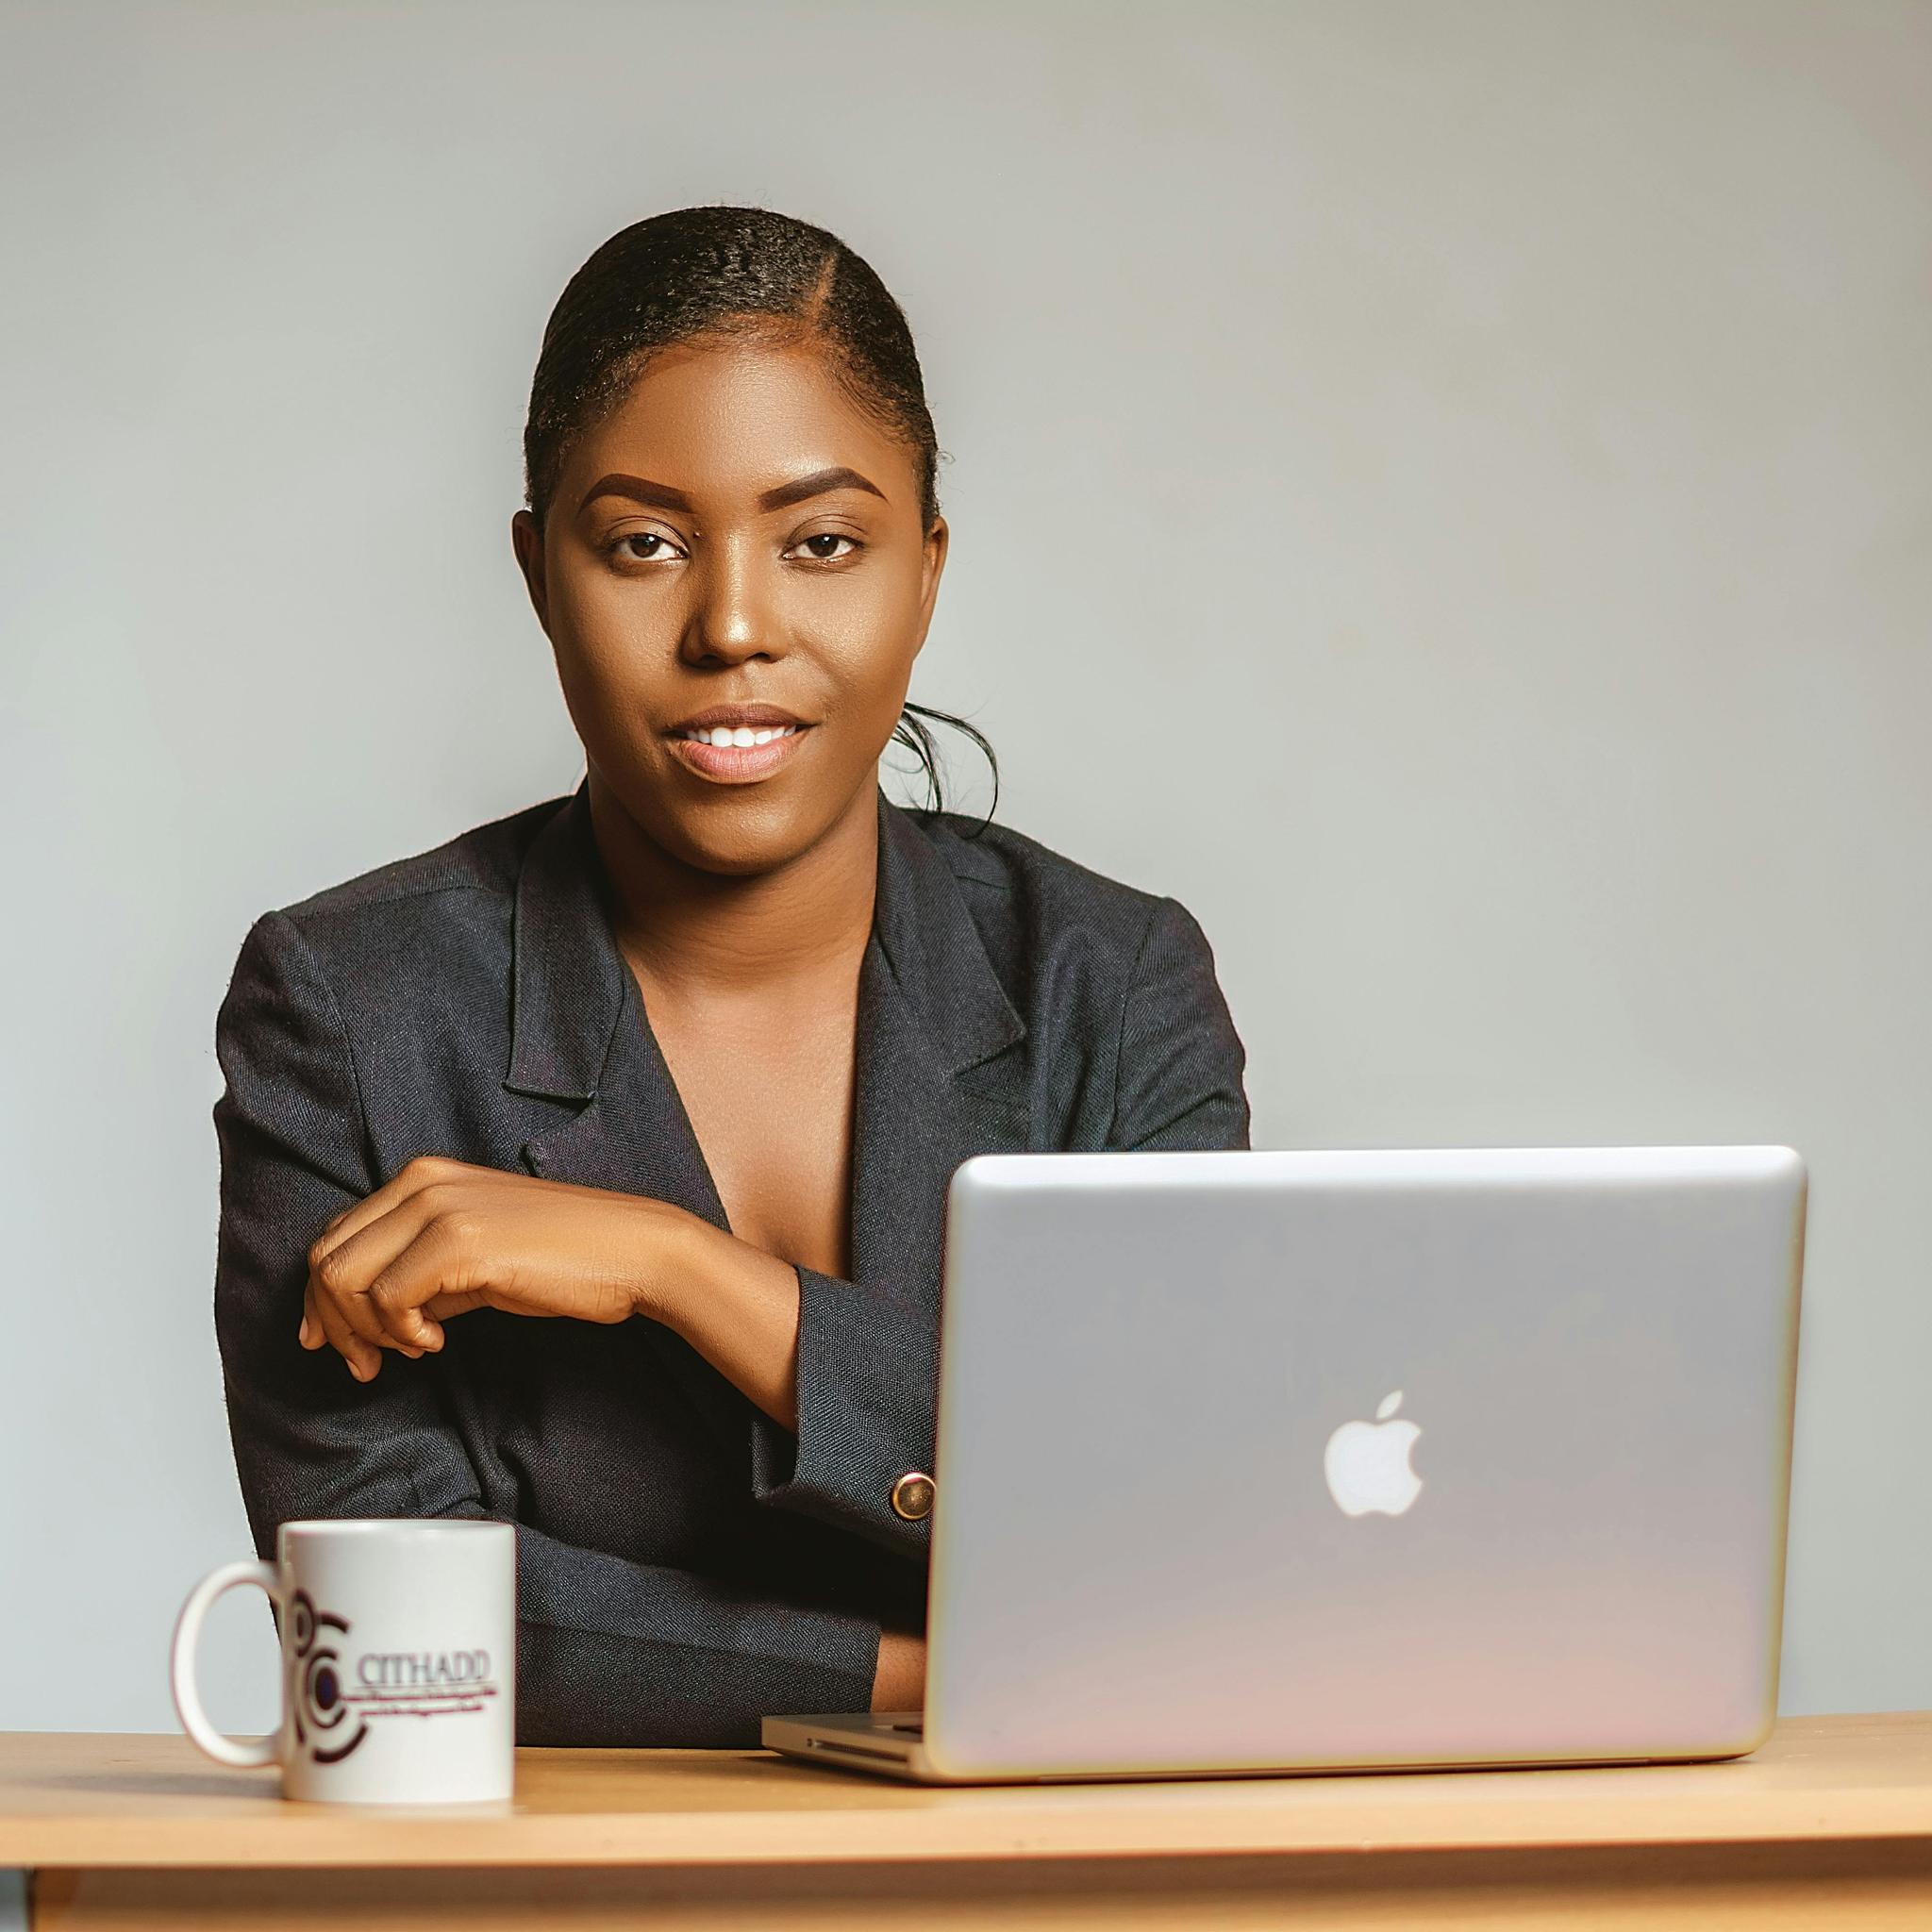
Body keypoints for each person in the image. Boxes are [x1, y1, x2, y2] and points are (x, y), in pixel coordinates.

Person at [212, 205, 1250, 1749]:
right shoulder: (351, 1008)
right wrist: (949, 1678)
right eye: (643, 543)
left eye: (822, 542)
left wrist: (688, 1275)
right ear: (537, 572)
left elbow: (1179, 1536)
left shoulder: (1112, 982)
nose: (736, 627)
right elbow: (386, 1623)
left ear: (926, 571)